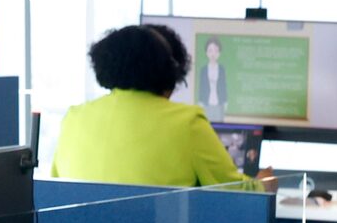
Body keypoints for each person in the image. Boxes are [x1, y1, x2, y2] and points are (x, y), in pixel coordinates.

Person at [48, 23, 257, 188]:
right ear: (169, 72)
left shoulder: (73, 118)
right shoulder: (187, 123)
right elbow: (233, 191)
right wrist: (265, 183)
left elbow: (55, 188)